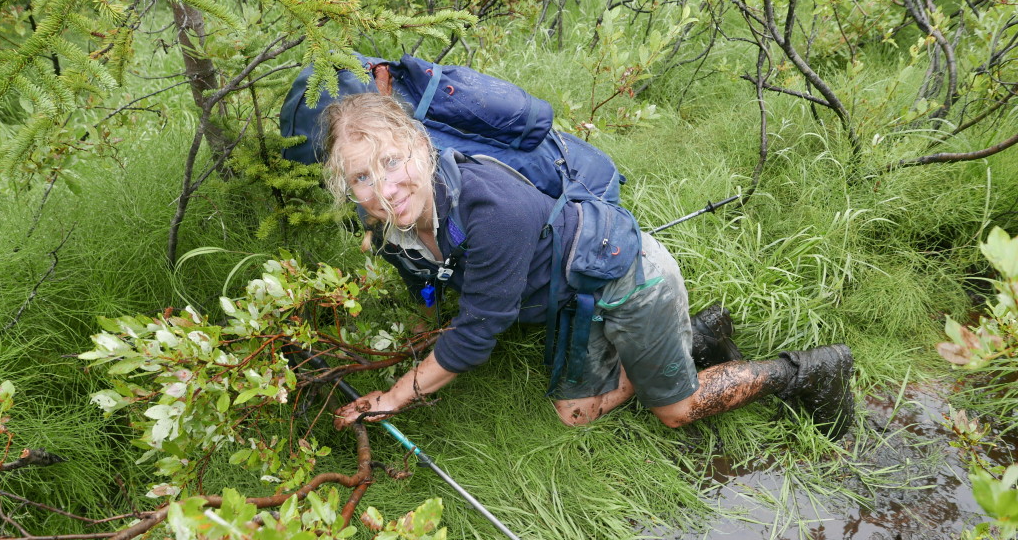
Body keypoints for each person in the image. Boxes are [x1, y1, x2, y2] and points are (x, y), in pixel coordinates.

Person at [325, 93, 855, 438]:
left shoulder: (491, 211)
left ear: (421, 146)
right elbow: (428, 284)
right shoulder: (390, 222)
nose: (385, 190)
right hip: (577, 296)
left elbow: (474, 338)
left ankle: (808, 371)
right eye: (363, 177)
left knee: (675, 411)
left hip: (629, 280)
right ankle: (695, 336)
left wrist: (394, 397)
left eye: (391, 162)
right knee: (574, 414)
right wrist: (419, 332)